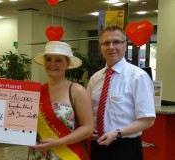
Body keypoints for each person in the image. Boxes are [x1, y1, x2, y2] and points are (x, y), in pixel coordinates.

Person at [86, 25, 155, 160]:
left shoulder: (138, 77)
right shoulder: (95, 78)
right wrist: (89, 128)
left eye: (116, 42)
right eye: (106, 43)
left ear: (125, 45)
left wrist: (117, 133)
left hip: (125, 148)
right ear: (101, 47)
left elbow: (148, 120)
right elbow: (87, 110)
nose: (111, 47)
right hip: (97, 147)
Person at [30, 41, 93, 160]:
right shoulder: (36, 91)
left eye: (58, 60)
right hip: (39, 154)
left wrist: (57, 142)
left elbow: (88, 129)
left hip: (68, 154)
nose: (52, 64)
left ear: (67, 63)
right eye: (48, 59)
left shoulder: (77, 91)